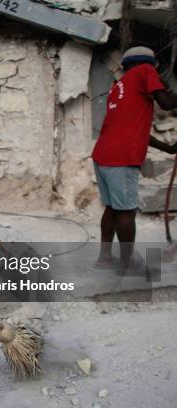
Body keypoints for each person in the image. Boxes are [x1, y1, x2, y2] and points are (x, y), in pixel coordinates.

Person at [92, 46, 177, 271]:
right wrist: (165, 88)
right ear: (150, 64)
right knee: (126, 211)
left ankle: (104, 258)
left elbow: (133, 129)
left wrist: (168, 149)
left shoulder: (119, 86)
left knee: (112, 208)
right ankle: (127, 264)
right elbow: (167, 103)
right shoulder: (145, 71)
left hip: (103, 154)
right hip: (122, 157)